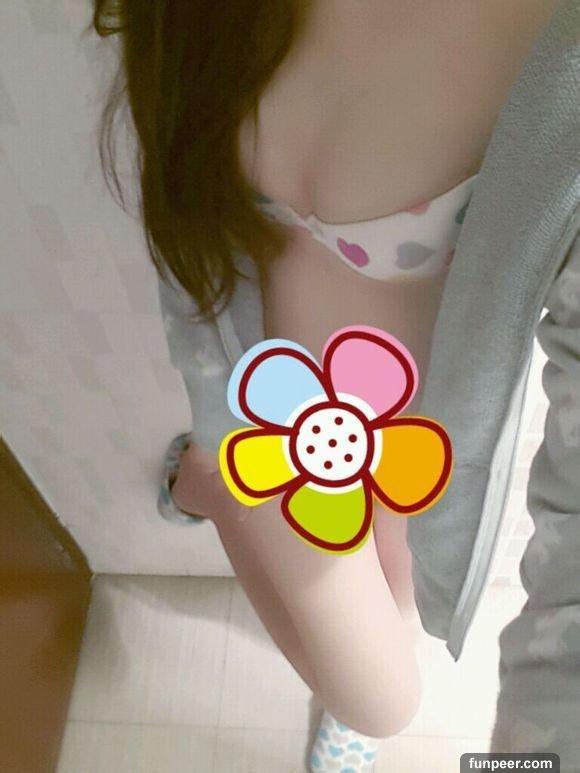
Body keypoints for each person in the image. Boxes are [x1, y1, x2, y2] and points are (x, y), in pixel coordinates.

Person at [92, 1, 580, 770]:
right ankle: (216, 483)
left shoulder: (558, 46)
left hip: (413, 429)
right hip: (268, 414)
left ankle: (212, 482)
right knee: (381, 700)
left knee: (402, 597)